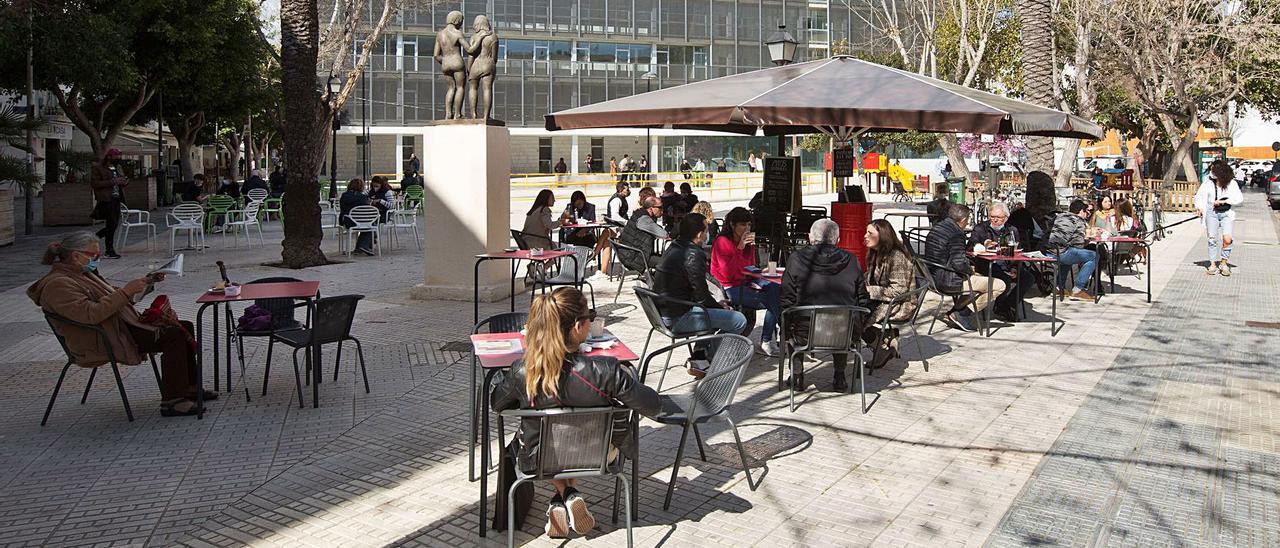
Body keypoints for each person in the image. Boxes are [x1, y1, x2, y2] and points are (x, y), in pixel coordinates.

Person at [489, 287, 658, 539]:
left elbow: (497, 403)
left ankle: (563, 498)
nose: (592, 320)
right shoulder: (606, 370)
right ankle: (567, 496)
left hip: (539, 459)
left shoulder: (523, 371)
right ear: (578, 326)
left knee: (535, 441)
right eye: (591, 315)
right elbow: (652, 405)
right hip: (596, 455)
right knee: (576, 439)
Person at [28, 232, 210, 416]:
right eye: (94, 256)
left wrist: (147, 282)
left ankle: (189, 387)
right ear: (76, 255)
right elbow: (90, 314)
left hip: (118, 327)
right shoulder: (58, 284)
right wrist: (125, 292)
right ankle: (173, 400)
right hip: (101, 338)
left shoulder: (84, 274)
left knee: (184, 326)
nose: (97, 260)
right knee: (174, 335)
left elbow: (115, 298)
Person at [779, 218, 871, 391]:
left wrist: (782, 322)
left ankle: (797, 376)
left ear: (809, 238)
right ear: (837, 240)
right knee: (842, 318)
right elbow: (862, 297)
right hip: (844, 333)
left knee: (788, 319)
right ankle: (839, 376)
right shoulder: (851, 260)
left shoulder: (796, 259)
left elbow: (786, 298)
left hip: (804, 333)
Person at [652, 213, 748, 363]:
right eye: (706, 230)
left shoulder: (674, 246)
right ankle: (711, 361)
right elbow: (701, 296)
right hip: (677, 317)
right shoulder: (693, 254)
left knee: (714, 313)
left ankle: (700, 357)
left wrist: (716, 307)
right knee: (738, 320)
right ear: (699, 234)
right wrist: (720, 308)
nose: (707, 234)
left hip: (665, 311)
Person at [711, 208, 781, 355]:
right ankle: (767, 340)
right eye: (743, 225)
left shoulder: (748, 242)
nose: (747, 228)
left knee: (776, 289)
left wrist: (751, 249)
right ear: (732, 225)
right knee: (774, 301)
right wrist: (740, 247)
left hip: (746, 280)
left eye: (749, 225)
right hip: (729, 286)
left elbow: (750, 266)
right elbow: (728, 274)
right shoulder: (723, 241)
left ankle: (768, 339)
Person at [925, 204, 1006, 331]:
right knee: (999, 285)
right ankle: (961, 313)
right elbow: (959, 263)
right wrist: (969, 269)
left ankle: (956, 311)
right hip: (948, 280)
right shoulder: (956, 234)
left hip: (932, 276)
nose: (967, 223)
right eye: (967, 220)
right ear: (963, 220)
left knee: (980, 278)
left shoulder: (937, 228)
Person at [862, 219, 916, 369]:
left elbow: (899, 291)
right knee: (850, 311)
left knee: (856, 317)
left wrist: (868, 291)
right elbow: (869, 278)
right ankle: (884, 339)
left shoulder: (896, 257)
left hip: (900, 303)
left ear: (883, 236)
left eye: (870, 233)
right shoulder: (875, 253)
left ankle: (882, 346)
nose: (865, 236)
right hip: (883, 299)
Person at [965, 201, 1026, 323]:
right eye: (992, 217)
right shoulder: (981, 228)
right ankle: (1003, 308)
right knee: (1005, 280)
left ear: (1006, 218)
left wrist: (1014, 267)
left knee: (1028, 277)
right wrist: (983, 244)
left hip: (1007, 264)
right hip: (986, 265)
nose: (995, 220)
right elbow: (970, 246)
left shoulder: (1012, 230)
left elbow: (1017, 250)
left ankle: (1005, 305)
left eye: (998, 217)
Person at [1195, 161, 1244, 276]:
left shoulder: (1231, 183)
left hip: (1226, 213)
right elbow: (1200, 196)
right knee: (1212, 239)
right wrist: (1200, 208)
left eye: (1214, 170)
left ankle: (1223, 262)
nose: (1212, 173)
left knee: (1227, 239)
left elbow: (1239, 198)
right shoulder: (1208, 183)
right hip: (1211, 213)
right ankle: (1212, 264)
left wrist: (1224, 201)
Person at [1048, 199, 1100, 299]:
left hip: (1049, 250)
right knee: (1094, 256)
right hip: (1061, 253)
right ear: (1081, 211)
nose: (1087, 214)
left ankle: (1059, 287)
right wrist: (1089, 239)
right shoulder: (1078, 220)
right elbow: (1079, 245)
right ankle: (1078, 289)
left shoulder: (1060, 216)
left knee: (1071, 254)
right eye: (1086, 211)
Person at [90, 149, 127, 259]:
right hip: (106, 199)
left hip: (116, 198)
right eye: (116, 157)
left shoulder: (118, 167)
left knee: (113, 225)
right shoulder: (98, 168)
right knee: (111, 224)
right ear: (109, 157)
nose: (118, 159)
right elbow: (95, 184)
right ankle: (108, 249)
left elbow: (121, 180)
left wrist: (124, 181)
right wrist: (113, 182)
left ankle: (94, 239)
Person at [618, 196, 667, 273]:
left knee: (665, 259)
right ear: (651, 208)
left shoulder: (640, 214)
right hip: (634, 257)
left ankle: (656, 280)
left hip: (630, 253)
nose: (662, 210)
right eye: (660, 207)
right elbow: (664, 234)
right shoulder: (644, 219)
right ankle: (658, 283)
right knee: (669, 262)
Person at [340, 178, 377, 256]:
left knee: (370, 224)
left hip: (348, 221)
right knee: (372, 224)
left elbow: (342, 209)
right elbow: (367, 210)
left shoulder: (344, 196)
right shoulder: (363, 197)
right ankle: (364, 245)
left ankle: (361, 247)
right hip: (361, 220)